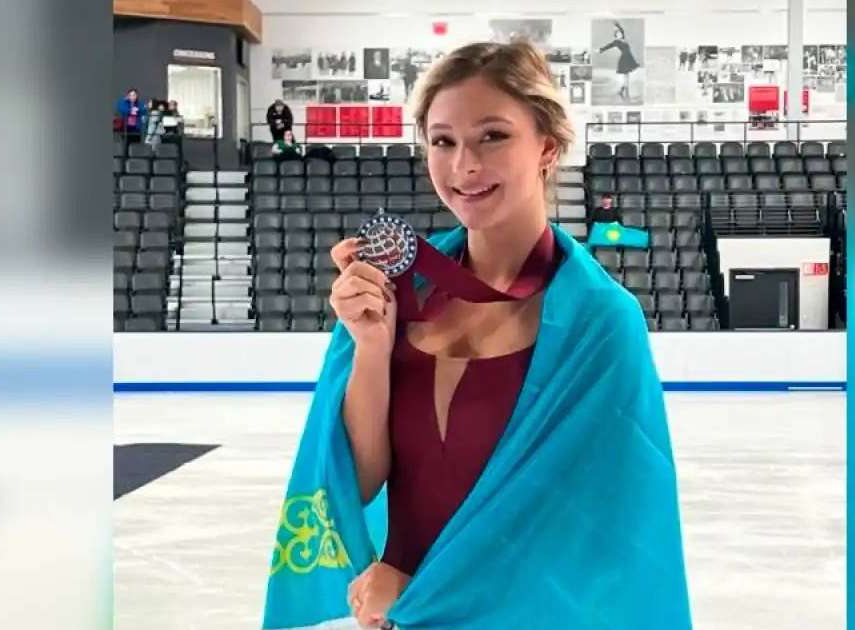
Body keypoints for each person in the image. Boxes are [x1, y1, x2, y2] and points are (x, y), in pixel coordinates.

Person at [262, 39, 691, 630]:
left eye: (492, 136)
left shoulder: (599, 322)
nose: (464, 165)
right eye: (443, 141)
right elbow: (354, 483)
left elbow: (594, 539)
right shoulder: (398, 287)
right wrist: (372, 347)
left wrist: (421, 594)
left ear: (547, 146)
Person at [598, 22, 640, 101]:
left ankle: (623, 90)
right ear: (616, 36)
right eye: (617, 34)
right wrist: (601, 50)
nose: (619, 35)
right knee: (626, 76)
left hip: (629, 58)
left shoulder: (624, 39)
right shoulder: (616, 41)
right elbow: (609, 46)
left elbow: (622, 31)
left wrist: (617, 25)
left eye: (620, 33)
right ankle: (624, 91)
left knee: (627, 76)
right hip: (624, 59)